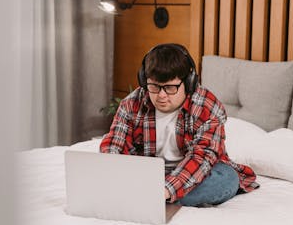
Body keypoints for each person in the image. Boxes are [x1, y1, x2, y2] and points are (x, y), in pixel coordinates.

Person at [100, 43, 258, 206]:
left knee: (227, 179)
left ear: (188, 83)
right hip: (149, 172)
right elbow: (114, 143)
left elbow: (201, 157)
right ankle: (151, 196)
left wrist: (166, 190)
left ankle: (153, 197)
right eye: (154, 86)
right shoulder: (132, 103)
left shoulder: (207, 106)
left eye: (170, 88)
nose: (161, 95)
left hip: (195, 172)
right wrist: (113, 169)